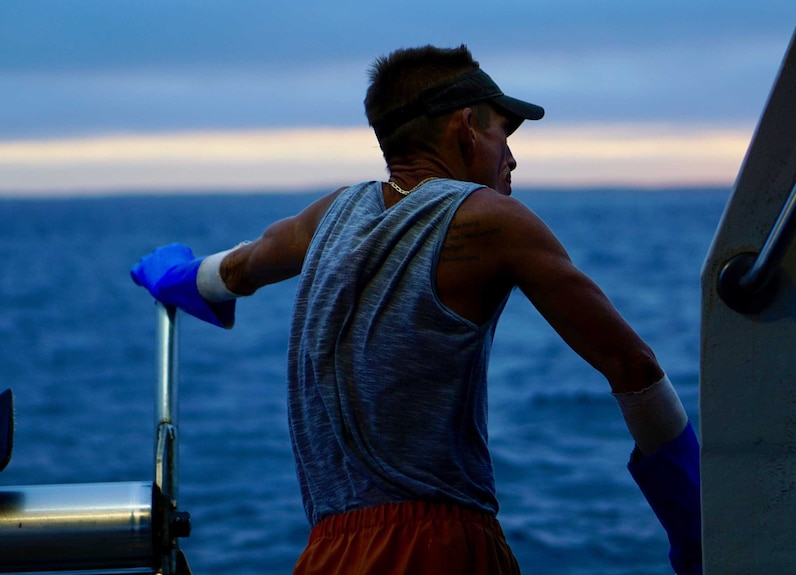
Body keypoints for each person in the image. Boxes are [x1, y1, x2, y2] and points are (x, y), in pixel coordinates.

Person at [131, 45, 701, 575]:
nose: (513, 160)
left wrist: (180, 278)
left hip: (328, 550)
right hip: (441, 544)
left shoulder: (329, 216)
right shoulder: (490, 218)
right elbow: (632, 366)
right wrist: (696, 523)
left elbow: (239, 269)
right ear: (466, 126)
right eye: (505, 134)